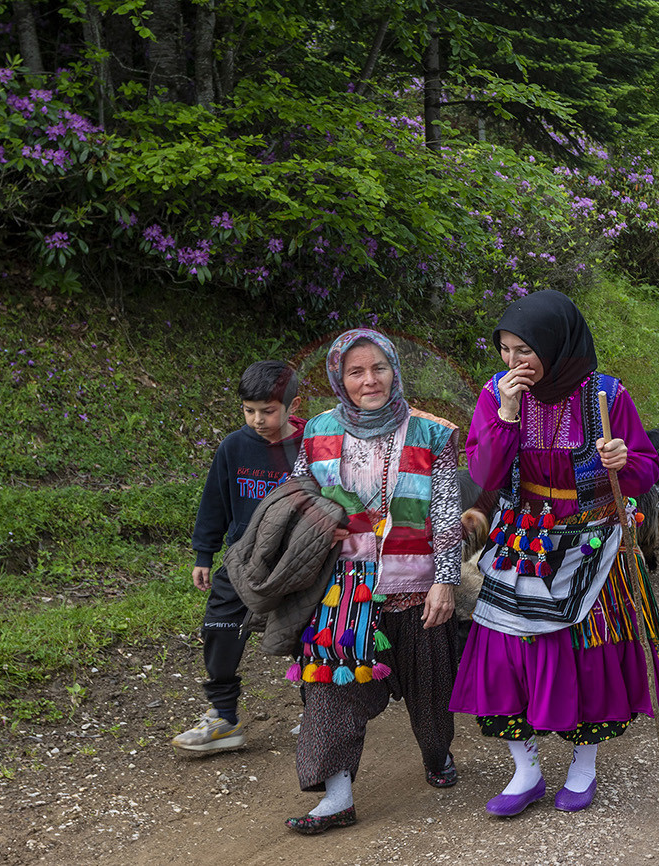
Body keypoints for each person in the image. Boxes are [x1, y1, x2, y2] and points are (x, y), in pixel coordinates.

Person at [449, 290, 659, 818]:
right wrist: (505, 416)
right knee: (504, 655)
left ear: (557, 345)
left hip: (592, 541)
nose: (512, 362)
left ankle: (583, 766)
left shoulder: (605, 395)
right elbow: (482, 474)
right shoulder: (496, 395)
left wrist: (625, 459)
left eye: (524, 350)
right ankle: (525, 770)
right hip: (523, 540)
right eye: (504, 349)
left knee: (585, 655)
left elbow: (645, 467)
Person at [283, 329, 464, 834]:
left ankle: (436, 754)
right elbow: (298, 497)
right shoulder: (317, 431)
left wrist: (445, 580)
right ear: (339, 378)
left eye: (378, 368)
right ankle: (336, 796)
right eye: (355, 372)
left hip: (416, 584)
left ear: (395, 370)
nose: (369, 381)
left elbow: (447, 511)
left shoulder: (433, 433)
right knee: (329, 688)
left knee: (431, 691)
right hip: (342, 589)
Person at [173, 361, 306, 753]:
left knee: (305, 632)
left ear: (292, 404)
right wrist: (203, 553)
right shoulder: (234, 447)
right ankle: (223, 717)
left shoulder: (312, 447)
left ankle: (316, 709)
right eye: (249, 410)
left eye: (268, 411)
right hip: (241, 558)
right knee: (219, 627)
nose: (257, 420)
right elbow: (213, 501)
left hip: (295, 561)